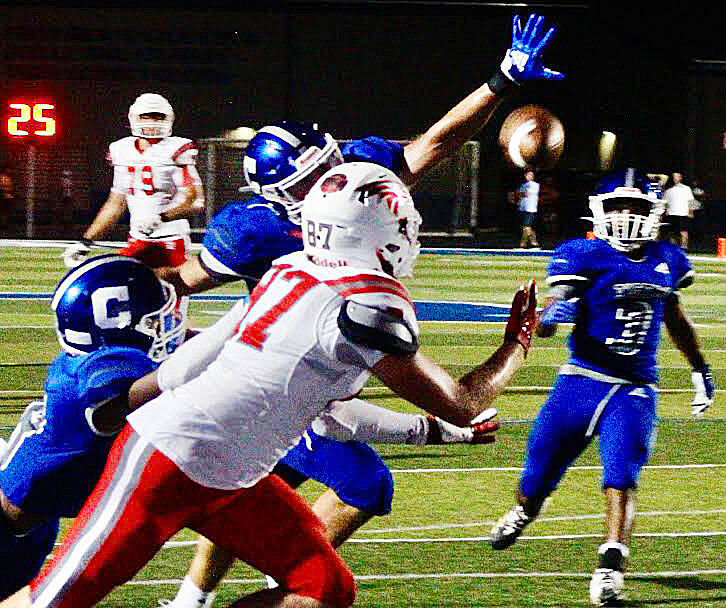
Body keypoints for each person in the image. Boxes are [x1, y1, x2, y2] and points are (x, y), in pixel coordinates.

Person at [153, 13, 564, 606]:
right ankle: (293, 579)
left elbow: (439, 142)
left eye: (329, 165)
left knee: (259, 487)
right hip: (295, 375)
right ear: (277, 200)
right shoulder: (255, 234)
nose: (331, 182)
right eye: (310, 181)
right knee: (364, 485)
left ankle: (198, 596)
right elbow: (184, 281)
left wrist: (500, 83)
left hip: (320, 370)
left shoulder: (358, 176)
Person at [2, 161, 538, 608]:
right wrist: (517, 342)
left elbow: (325, 414)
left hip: (236, 476)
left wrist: (430, 433)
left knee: (325, 589)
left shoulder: (288, 268)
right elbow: (463, 403)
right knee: (53, 601)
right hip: (166, 463)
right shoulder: (367, 305)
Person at [488, 167, 715, 606]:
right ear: (601, 210)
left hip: (634, 388)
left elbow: (676, 318)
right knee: (536, 480)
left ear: (654, 212)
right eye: (618, 205)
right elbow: (559, 302)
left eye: (636, 206)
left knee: (622, 474)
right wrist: (549, 317)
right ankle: (524, 511)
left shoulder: (667, 259)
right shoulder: (583, 254)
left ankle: (611, 564)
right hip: (580, 382)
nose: (627, 213)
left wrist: (699, 368)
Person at [0, 255, 185, 601]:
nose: (167, 326)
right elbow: (151, 386)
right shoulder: (104, 378)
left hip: (27, 523)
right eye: (153, 320)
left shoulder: (86, 361)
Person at [61, 93, 205, 271]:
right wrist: (85, 241)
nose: (152, 123)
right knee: (120, 287)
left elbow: (196, 202)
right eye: (147, 117)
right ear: (134, 118)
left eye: (158, 117)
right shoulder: (122, 150)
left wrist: (161, 218)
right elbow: (116, 204)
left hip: (171, 240)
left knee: (171, 291)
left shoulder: (176, 149)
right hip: (137, 240)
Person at [662, 171, 695, 250]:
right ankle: (674, 248)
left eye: (676, 176)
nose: (675, 178)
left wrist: (691, 212)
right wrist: (665, 212)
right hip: (671, 213)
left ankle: (684, 247)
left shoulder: (686, 189)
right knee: (672, 232)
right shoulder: (668, 190)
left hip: (683, 213)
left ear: (680, 177)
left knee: (683, 231)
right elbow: (665, 203)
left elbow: (691, 201)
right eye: (674, 177)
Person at [517, 168, 540, 249]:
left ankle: (522, 243)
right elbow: (520, 195)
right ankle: (534, 242)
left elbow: (525, 193)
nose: (529, 176)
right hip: (523, 208)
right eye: (527, 175)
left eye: (531, 175)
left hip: (531, 209)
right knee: (526, 227)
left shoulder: (535, 185)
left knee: (527, 226)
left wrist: (521, 193)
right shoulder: (523, 185)